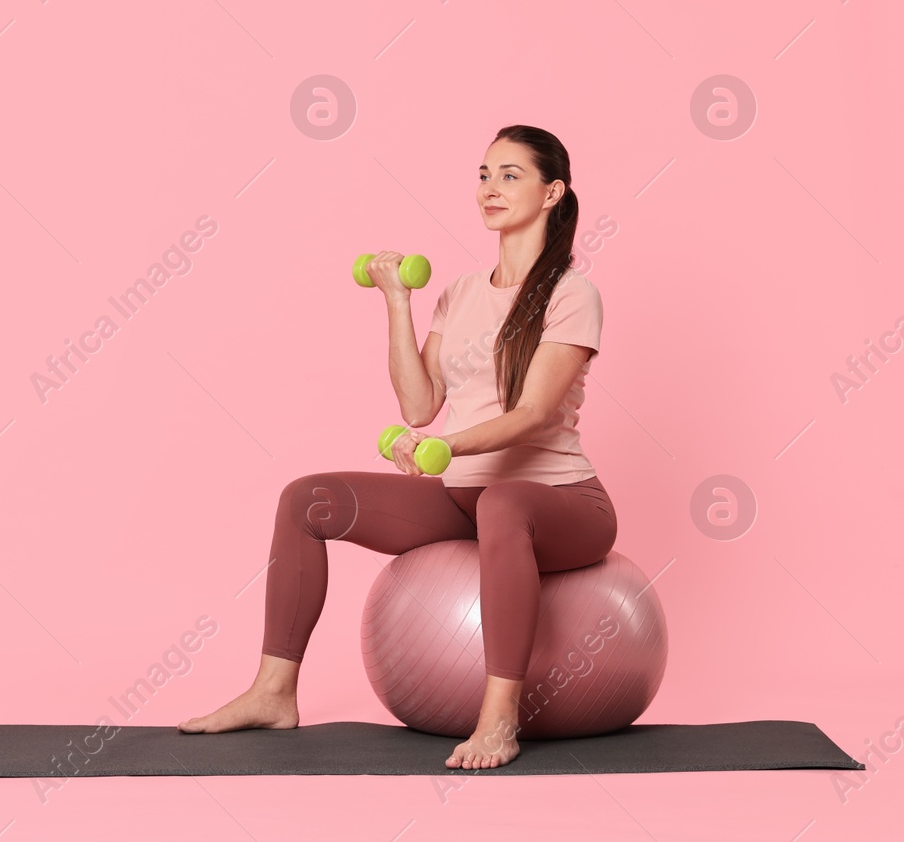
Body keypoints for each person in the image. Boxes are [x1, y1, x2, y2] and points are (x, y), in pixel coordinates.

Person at [177, 125, 615, 770]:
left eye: (510, 175)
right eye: (484, 174)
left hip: (562, 503)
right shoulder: (462, 292)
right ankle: (273, 693)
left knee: (501, 503)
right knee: (309, 499)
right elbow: (417, 406)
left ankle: (498, 720)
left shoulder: (573, 295)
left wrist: (448, 446)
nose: (490, 188)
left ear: (553, 193)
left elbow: (531, 415)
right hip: (465, 496)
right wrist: (397, 301)